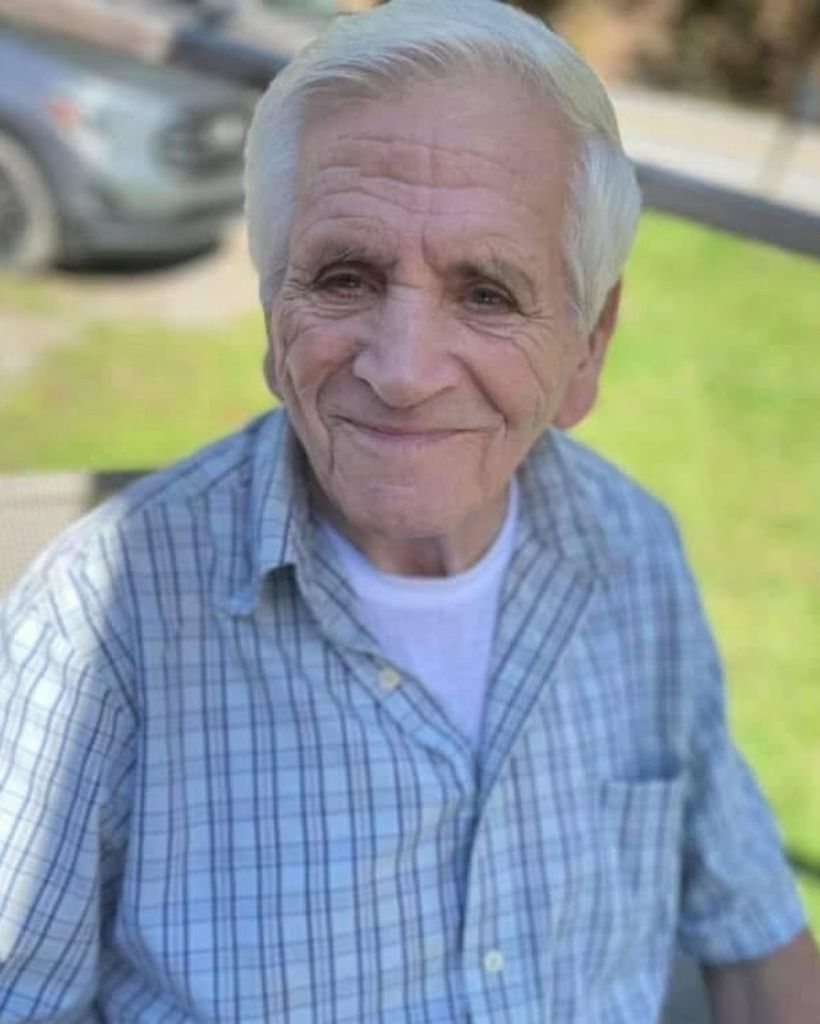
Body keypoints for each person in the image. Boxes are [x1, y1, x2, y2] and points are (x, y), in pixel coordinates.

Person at [1, 0, 818, 1020]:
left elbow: (754, 932)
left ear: (589, 344)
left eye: (486, 294)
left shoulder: (633, 552)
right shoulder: (97, 633)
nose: (401, 371)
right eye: (346, 277)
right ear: (272, 307)